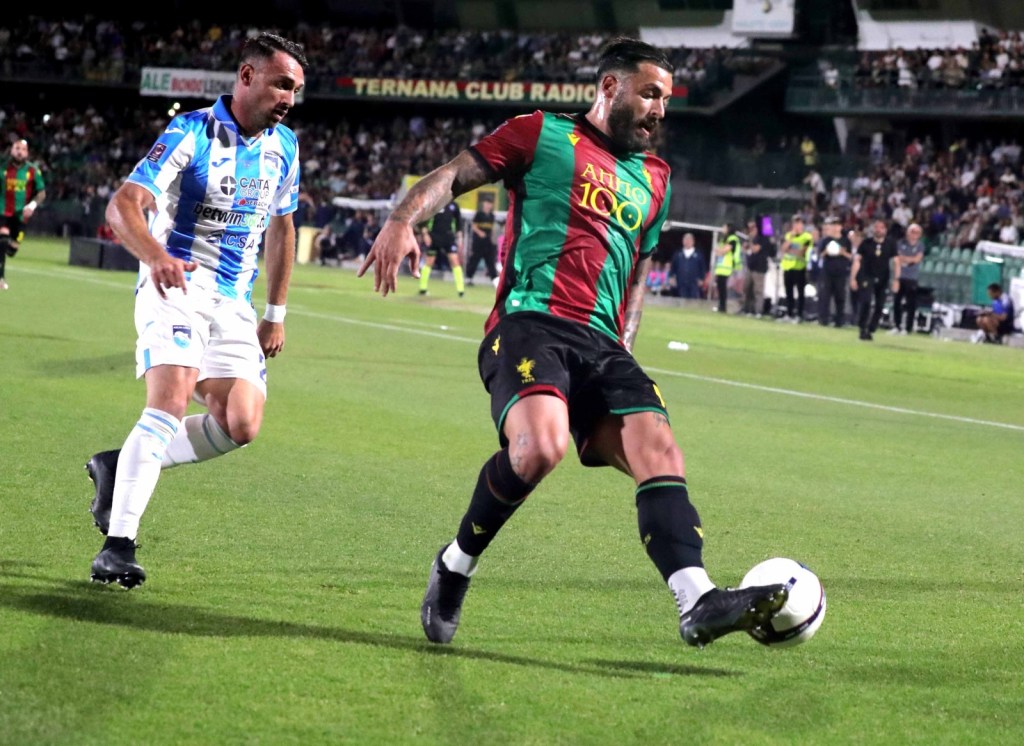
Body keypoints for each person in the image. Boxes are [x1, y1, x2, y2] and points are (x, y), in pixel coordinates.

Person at [358, 37, 787, 649]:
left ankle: (697, 600)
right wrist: (401, 219)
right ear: (610, 87)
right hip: (532, 323)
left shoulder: (656, 179)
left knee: (660, 451)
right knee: (539, 449)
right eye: (650, 94)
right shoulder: (540, 133)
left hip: (605, 345)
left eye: (666, 98)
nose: (660, 110)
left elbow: (636, 275)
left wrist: (625, 352)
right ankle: (454, 565)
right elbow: (454, 175)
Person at [84, 32, 307, 589]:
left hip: (234, 299)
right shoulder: (191, 132)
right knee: (170, 399)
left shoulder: (286, 148)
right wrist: (156, 255)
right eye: (282, 84)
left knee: (241, 423)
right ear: (248, 76)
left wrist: (275, 311)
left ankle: (121, 464)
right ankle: (118, 545)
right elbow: (124, 204)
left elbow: (282, 227)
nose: (289, 98)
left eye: (297, 89)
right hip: (176, 283)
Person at [0, 139, 47, 290]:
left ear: (27, 153)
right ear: (11, 150)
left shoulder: (32, 170)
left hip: (20, 216)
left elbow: (41, 192)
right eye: (17, 148)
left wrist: (32, 205)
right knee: (3, 239)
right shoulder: (2, 167)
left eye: (23, 149)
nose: (19, 152)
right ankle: (1, 278)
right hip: (3, 212)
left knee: (12, 250)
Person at [850, 218, 900, 341]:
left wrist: (896, 279)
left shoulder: (890, 244)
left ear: (885, 230)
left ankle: (872, 327)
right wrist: (853, 278)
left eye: (881, 227)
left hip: (883, 278)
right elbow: (857, 260)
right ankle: (862, 328)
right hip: (866, 276)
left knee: (880, 305)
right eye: (876, 227)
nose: (878, 230)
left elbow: (896, 261)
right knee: (866, 302)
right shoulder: (866, 243)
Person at [418, 199, 465, 297]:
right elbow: (423, 220)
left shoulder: (454, 205)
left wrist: (460, 238)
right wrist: (425, 234)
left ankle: (461, 290)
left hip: (448, 237)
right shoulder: (434, 203)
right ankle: (423, 288)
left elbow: (459, 223)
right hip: (434, 237)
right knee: (429, 261)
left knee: (455, 261)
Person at [816, 215, 852, 328]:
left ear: (840, 227)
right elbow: (820, 255)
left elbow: (851, 256)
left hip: (840, 272)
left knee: (840, 296)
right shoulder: (826, 240)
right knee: (825, 296)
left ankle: (839, 320)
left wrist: (842, 253)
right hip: (827, 271)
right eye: (834, 225)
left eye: (837, 225)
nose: (836, 228)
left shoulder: (845, 240)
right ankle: (823, 319)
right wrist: (826, 251)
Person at [889, 223, 924, 335]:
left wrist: (906, 259)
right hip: (900, 276)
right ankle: (897, 325)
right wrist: (908, 260)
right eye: (912, 231)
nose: (914, 234)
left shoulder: (920, 246)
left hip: (912, 278)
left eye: (916, 232)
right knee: (897, 302)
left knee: (911, 304)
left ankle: (908, 328)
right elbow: (897, 258)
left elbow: (917, 259)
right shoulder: (900, 243)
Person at [779, 215, 813, 322]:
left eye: (799, 223)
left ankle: (799, 315)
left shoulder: (807, 237)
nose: (797, 226)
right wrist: (790, 240)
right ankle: (789, 314)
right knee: (789, 292)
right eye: (795, 223)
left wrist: (791, 249)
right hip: (788, 267)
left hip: (799, 267)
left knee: (800, 292)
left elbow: (801, 252)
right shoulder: (789, 235)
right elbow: (783, 249)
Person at [741, 219, 773, 317]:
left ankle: (758, 311)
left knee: (758, 290)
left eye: (753, 227)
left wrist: (750, 242)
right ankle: (747, 309)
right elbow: (745, 249)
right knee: (747, 289)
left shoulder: (763, 238)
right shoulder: (752, 237)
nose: (751, 229)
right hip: (751, 266)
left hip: (759, 267)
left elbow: (755, 249)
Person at [465, 195, 499, 286]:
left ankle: (495, 280)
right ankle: (469, 278)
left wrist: (492, 239)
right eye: (487, 203)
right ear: (484, 204)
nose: (488, 205)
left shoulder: (491, 216)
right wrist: (480, 233)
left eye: (490, 204)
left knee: (490, 261)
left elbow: (492, 229)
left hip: (488, 242)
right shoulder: (479, 214)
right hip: (478, 242)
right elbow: (474, 226)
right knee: (474, 259)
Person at [711, 222, 741, 313]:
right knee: (720, 286)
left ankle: (723, 307)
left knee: (723, 287)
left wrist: (719, 251)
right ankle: (721, 306)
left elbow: (724, 250)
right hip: (721, 266)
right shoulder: (724, 239)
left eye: (724, 227)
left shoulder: (732, 239)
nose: (722, 229)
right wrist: (719, 251)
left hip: (727, 266)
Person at [668, 232, 705, 299]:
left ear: (693, 241)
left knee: (693, 299)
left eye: (689, 240)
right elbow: (673, 267)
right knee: (681, 298)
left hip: (694, 282)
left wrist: (701, 279)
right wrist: (671, 277)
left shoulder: (698, 254)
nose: (687, 242)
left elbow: (702, 267)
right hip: (681, 281)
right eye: (685, 240)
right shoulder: (678, 254)